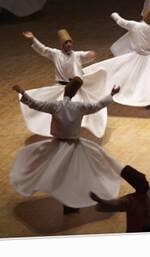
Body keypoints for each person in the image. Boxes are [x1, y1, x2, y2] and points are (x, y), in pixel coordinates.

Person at [11, 78, 123, 213]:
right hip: (75, 147)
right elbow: (98, 105)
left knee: (56, 172)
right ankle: (71, 202)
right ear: (76, 92)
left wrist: (23, 92)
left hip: (57, 146)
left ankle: (67, 201)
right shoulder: (80, 107)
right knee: (74, 175)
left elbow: (35, 104)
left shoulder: (55, 106)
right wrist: (111, 94)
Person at [18, 29, 109, 138]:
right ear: (62, 45)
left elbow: (87, 55)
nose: (69, 45)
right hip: (62, 87)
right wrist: (33, 38)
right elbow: (43, 49)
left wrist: (91, 54)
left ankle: (79, 126)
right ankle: (63, 129)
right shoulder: (56, 54)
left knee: (77, 107)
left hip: (76, 87)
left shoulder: (77, 55)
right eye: (66, 43)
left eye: (70, 42)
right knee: (60, 109)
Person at [83, 8, 150, 107]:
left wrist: (114, 14)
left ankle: (146, 95)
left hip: (138, 56)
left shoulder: (135, 25)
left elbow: (120, 21)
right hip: (148, 57)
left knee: (132, 74)